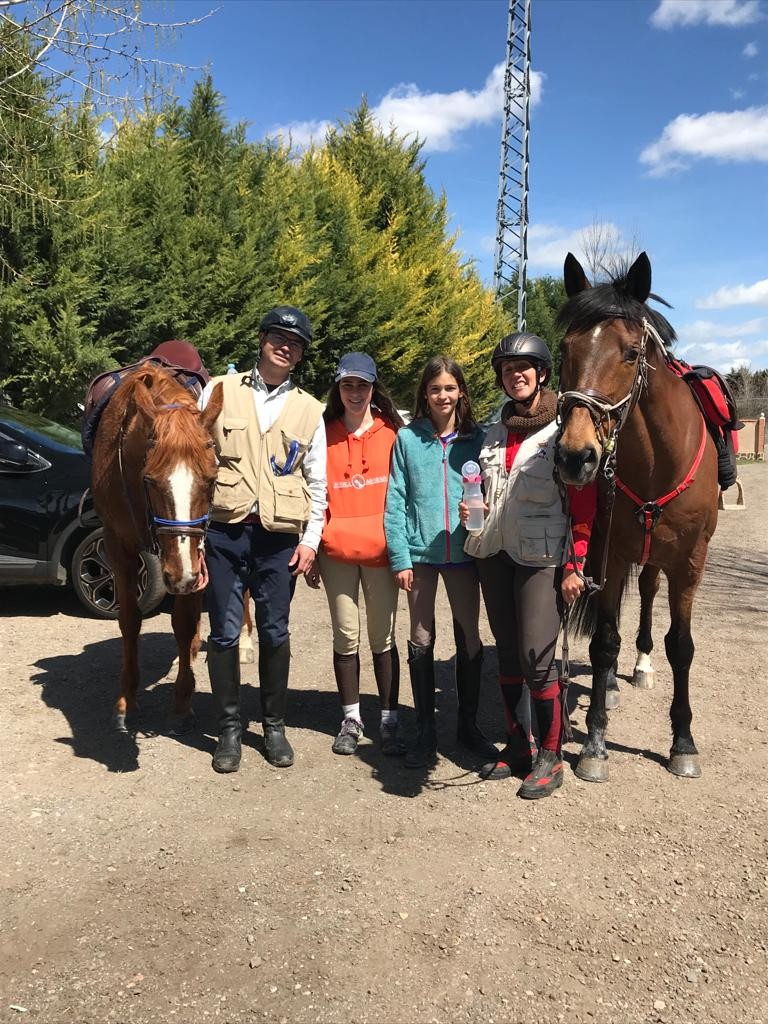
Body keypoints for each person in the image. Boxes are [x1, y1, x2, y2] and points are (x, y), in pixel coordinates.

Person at [461, 332, 596, 800]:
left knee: (539, 655)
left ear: (541, 374)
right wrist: (468, 508)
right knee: (509, 651)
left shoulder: (565, 431)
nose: (515, 374)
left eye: (525, 367)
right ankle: (518, 745)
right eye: (507, 368)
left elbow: (583, 507)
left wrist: (576, 566)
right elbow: (485, 491)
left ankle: (551, 755)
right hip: (494, 554)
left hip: (541, 559)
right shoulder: (493, 432)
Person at [199, 306, 326, 774]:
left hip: (279, 539)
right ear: (262, 338)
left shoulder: (311, 409)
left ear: (300, 354)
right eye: (277, 336)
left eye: (294, 342)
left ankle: (274, 727)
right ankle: (229, 730)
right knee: (224, 632)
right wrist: (194, 539)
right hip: (225, 532)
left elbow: (319, 482)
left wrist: (310, 541)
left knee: (275, 630)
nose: (285, 345)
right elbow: (192, 462)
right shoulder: (218, 390)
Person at [384, 355, 497, 768]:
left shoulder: (478, 439)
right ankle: (425, 733)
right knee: (420, 636)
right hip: (420, 556)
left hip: (465, 555)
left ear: (461, 392)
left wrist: (483, 511)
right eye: (435, 389)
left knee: (470, 635)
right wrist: (400, 557)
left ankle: (467, 726)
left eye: (450, 388)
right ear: (424, 394)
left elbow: (493, 493)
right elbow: (394, 502)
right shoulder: (408, 440)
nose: (443, 395)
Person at [315, 352, 406, 757]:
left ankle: (389, 717)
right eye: (348, 385)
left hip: (382, 553)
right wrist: (314, 550)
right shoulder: (323, 433)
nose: (355, 392)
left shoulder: (393, 433)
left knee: (382, 634)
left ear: (373, 388)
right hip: (336, 551)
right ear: (338, 388)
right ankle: (351, 717)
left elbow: (404, 497)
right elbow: (313, 496)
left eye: (362, 385)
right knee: (345, 634)